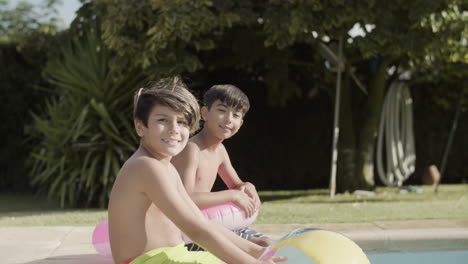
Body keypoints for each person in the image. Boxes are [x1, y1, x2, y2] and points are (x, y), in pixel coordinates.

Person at [108, 78, 285, 264]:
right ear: (140, 127)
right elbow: (193, 229)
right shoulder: (145, 166)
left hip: (174, 256)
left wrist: (257, 252)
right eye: (163, 120)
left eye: (182, 122)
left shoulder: (165, 167)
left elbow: (201, 221)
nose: (174, 130)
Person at [172, 84, 274, 251]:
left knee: (268, 244)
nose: (228, 119)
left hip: (212, 224)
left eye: (235, 115)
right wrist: (232, 195)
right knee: (253, 250)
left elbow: (236, 185)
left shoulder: (220, 150)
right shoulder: (192, 149)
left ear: (240, 124)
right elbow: (186, 200)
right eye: (222, 110)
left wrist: (247, 185)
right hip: (188, 234)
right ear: (204, 113)